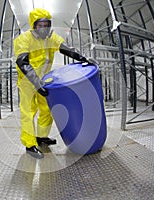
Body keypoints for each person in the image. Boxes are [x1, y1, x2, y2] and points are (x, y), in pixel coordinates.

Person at [14, 8, 98, 159]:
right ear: (34, 25)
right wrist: (36, 83)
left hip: (44, 80)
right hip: (28, 82)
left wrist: (83, 58)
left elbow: (66, 49)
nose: (44, 28)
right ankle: (30, 145)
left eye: (47, 24)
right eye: (41, 25)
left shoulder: (51, 38)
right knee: (28, 112)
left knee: (46, 109)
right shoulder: (23, 39)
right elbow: (23, 62)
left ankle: (41, 137)